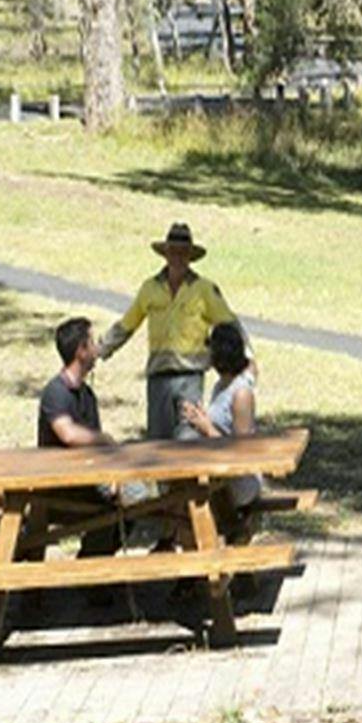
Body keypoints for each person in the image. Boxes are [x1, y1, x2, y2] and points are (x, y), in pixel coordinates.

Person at [98, 221, 242, 440]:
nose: (177, 257)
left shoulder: (203, 289)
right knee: (159, 440)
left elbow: (230, 324)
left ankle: (187, 475)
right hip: (159, 376)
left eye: (183, 253)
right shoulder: (150, 287)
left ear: (190, 256)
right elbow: (128, 324)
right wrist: (101, 349)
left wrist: (245, 362)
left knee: (188, 437)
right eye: (173, 251)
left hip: (190, 376)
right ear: (165, 254)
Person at [37, 316, 125, 558]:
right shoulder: (55, 392)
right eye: (92, 343)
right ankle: (91, 580)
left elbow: (96, 452)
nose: (97, 349)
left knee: (134, 510)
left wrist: (114, 476)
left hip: (86, 486)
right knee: (113, 515)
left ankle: (90, 572)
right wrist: (105, 438)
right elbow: (67, 433)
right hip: (57, 490)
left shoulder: (88, 395)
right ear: (80, 351)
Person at [180, 321, 263, 541]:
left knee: (188, 506)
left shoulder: (241, 393)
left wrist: (206, 427)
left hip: (238, 483)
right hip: (219, 474)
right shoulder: (221, 385)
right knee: (181, 498)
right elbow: (253, 363)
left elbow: (242, 452)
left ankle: (209, 565)